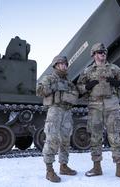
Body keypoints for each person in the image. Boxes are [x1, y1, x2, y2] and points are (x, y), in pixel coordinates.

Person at [77, 43, 120, 181]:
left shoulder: (114, 69)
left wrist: (117, 83)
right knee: (95, 137)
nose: (103, 54)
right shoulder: (87, 71)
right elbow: (79, 88)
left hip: (111, 105)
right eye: (100, 52)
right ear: (94, 54)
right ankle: (97, 167)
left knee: (115, 137)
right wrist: (87, 86)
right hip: (95, 106)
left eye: (104, 52)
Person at [36, 55, 79, 183]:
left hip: (67, 111)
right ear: (55, 65)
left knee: (65, 140)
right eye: (61, 63)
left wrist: (68, 94)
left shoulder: (68, 82)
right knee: (52, 139)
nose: (64, 66)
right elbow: (39, 91)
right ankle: (49, 170)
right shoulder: (49, 78)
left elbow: (75, 94)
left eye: (65, 64)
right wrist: (54, 87)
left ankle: (63, 166)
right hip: (54, 110)